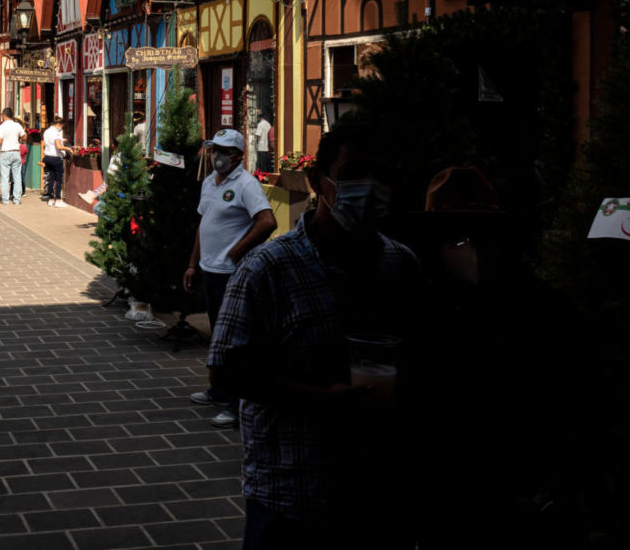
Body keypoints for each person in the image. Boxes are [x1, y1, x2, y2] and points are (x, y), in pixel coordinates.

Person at [209, 121, 421, 549]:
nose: (371, 188)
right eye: (356, 173)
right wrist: (314, 397)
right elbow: (225, 371)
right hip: (291, 497)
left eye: (382, 176)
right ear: (317, 182)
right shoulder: (267, 270)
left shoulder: (401, 265)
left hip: (380, 495)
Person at [412, 167, 587, 549]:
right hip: (448, 515)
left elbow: (577, 409)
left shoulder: (544, 310)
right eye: (455, 238)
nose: (471, 249)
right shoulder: (423, 312)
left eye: (480, 235)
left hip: (524, 517)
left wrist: (544, 494)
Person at [182, 129, 277, 427]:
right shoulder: (210, 182)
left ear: (238, 156)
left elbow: (267, 221)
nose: (216, 156)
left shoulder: (247, 185)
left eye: (223, 151)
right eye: (214, 150)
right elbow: (203, 223)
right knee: (218, 334)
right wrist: (192, 264)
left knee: (235, 340)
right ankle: (220, 389)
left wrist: (238, 250)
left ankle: (237, 404)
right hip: (210, 270)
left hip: (232, 274)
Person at [0, 107, 26, 205]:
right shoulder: (17, 125)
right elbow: (24, 136)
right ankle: (17, 199)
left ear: (4, 115)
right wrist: (19, 138)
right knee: (17, 177)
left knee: (5, 177)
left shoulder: (2, 126)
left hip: (5, 152)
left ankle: (5, 199)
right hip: (16, 152)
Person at [42, 116, 71, 207]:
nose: (61, 128)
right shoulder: (56, 133)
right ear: (59, 124)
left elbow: (50, 143)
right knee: (58, 179)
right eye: (62, 126)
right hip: (56, 157)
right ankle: (58, 200)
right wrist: (68, 149)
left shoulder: (47, 131)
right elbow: (58, 147)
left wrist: (62, 140)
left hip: (48, 157)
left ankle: (50, 199)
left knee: (51, 178)